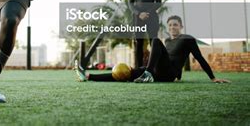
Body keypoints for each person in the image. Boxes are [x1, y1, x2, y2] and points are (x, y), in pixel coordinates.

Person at [74, 15, 230, 84]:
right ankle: (87, 76)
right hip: (157, 70)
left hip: (167, 74)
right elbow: (169, 55)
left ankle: (147, 74)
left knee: (155, 40)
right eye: (170, 25)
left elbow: (200, 58)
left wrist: (212, 77)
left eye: (175, 24)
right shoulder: (168, 40)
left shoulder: (187, 39)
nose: (172, 27)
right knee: (126, 73)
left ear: (181, 27)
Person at [129, 0, 162, 67]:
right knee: (139, 43)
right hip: (138, 18)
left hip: (151, 17)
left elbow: (158, 2)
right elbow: (130, 4)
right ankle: (138, 68)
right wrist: (139, 14)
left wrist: (148, 13)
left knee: (154, 42)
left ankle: (155, 67)